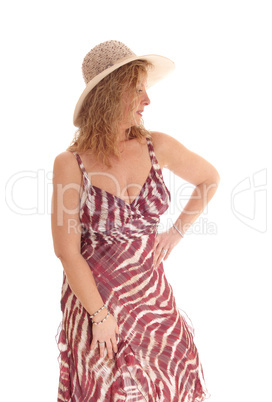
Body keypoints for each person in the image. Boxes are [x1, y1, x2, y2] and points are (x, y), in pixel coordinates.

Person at [51, 40, 219, 401]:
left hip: (153, 301)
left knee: (173, 379)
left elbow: (210, 179)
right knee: (108, 390)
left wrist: (175, 232)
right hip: (95, 302)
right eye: (138, 89)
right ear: (112, 94)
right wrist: (100, 316)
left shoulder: (157, 146)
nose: (148, 100)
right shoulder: (70, 163)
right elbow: (67, 252)